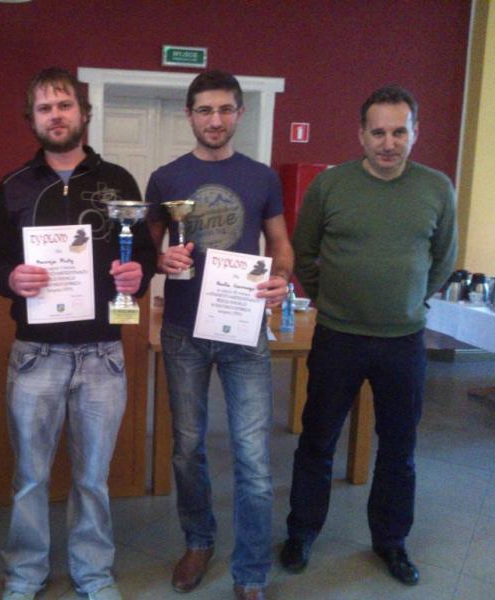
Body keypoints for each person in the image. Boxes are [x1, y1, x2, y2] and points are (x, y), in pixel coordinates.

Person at [0, 67, 156, 600]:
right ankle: (25, 573)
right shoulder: (13, 185)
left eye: (64, 105)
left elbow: (144, 256)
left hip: (103, 354)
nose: (55, 115)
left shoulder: (121, 182)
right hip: (35, 356)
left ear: (84, 113)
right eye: (44, 108)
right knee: (30, 477)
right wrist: (11, 279)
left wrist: (138, 275)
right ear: (32, 119)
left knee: (92, 479)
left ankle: (93, 573)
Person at [281, 85, 457, 586]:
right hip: (338, 336)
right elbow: (304, 250)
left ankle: (391, 541)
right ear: (361, 134)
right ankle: (302, 532)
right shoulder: (331, 186)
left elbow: (443, 260)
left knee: (399, 448)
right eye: (378, 132)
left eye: (399, 132)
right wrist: (327, 299)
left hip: (404, 341)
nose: (388, 143)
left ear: (415, 133)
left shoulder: (437, 188)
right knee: (317, 440)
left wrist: (408, 300)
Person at [146, 70, 293, 600]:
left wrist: (282, 277)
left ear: (240, 114)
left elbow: (280, 242)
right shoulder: (165, 178)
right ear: (190, 115)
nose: (215, 120)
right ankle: (199, 540)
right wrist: (161, 259)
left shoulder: (262, 177)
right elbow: (150, 246)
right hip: (184, 330)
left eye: (225, 109)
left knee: (252, 455)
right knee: (187, 449)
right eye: (205, 110)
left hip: (242, 328)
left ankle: (250, 569)